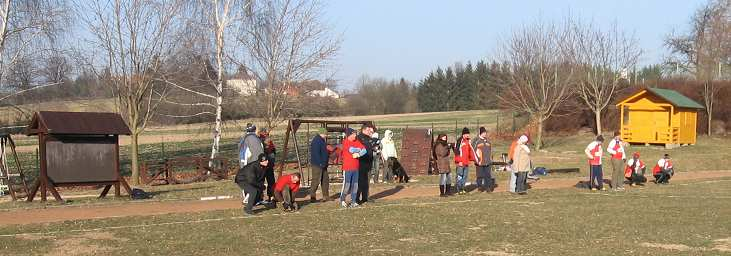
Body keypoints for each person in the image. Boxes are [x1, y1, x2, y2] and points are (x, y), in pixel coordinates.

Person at [341, 128, 366, 208]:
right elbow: (351, 150)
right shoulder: (345, 142)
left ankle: (353, 201)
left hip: (356, 168)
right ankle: (342, 199)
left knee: (355, 185)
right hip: (348, 168)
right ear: (350, 135)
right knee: (347, 185)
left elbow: (364, 150)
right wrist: (359, 150)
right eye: (354, 134)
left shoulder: (357, 141)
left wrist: (359, 154)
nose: (355, 135)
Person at [356, 124, 375, 204]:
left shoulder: (369, 138)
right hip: (361, 162)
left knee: (366, 182)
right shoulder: (359, 138)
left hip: (368, 162)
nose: (369, 132)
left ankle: (365, 197)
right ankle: (356, 198)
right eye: (367, 130)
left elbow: (371, 147)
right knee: (360, 182)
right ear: (363, 130)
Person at [309, 128, 330, 203]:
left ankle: (326, 196)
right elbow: (316, 153)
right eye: (325, 134)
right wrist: (320, 163)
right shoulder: (316, 141)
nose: (326, 135)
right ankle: (312, 197)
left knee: (325, 180)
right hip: (318, 164)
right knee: (316, 180)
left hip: (323, 164)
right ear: (322, 133)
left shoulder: (321, 140)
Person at [454, 127, 475, 195]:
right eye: (466, 134)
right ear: (463, 134)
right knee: (460, 175)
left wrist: (473, 159)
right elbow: (456, 151)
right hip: (460, 162)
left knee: (465, 176)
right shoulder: (459, 141)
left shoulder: (468, 141)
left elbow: (471, 151)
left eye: (468, 134)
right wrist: (459, 161)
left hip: (466, 162)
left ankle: (462, 188)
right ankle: (458, 189)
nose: (468, 135)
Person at [472, 127, 493, 192]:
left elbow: (490, 150)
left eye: (485, 133)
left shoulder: (488, 142)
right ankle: (480, 187)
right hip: (479, 162)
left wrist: (490, 159)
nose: (485, 134)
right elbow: (473, 151)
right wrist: (476, 160)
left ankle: (488, 187)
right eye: (483, 133)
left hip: (487, 162)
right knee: (480, 175)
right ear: (480, 133)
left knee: (488, 175)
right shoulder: (477, 141)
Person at [258, 128, 276, 204]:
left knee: (269, 181)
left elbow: (273, 152)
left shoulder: (261, 141)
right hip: (264, 165)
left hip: (267, 165)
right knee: (265, 181)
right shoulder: (259, 141)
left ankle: (269, 196)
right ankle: (264, 197)